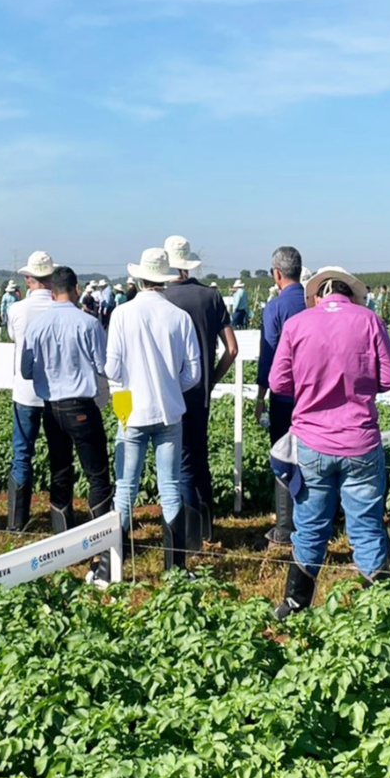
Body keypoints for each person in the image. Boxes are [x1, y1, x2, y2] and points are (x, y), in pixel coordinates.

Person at [269, 268, 390, 617]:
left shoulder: (298, 324)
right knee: (367, 527)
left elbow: (278, 383)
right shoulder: (369, 320)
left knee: (310, 526)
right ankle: (381, 612)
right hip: (360, 440)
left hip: (312, 440)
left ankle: (295, 605)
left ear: (317, 296)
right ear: (352, 295)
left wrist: (311, 384)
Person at [105, 248, 201, 573]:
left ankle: (112, 563)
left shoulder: (121, 313)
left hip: (128, 405)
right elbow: (193, 374)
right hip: (168, 409)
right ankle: (175, 567)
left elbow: (113, 370)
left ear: (139, 278)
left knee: (125, 486)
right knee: (170, 486)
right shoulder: (179, 317)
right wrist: (170, 386)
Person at [20, 266, 113, 584]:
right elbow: (103, 366)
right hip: (81, 406)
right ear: (74, 289)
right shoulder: (88, 323)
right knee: (97, 475)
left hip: (51, 407)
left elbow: (26, 371)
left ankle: (63, 544)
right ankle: (100, 548)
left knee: (60, 473)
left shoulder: (37, 325)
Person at [162, 234, 237, 549]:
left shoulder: (162, 299)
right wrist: (212, 379)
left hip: (172, 391)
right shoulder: (211, 296)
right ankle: (208, 527)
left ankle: (191, 537)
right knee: (200, 456)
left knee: (183, 462)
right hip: (202, 392)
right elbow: (231, 349)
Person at [254, 246, 307, 550]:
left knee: (283, 455)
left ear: (276, 273)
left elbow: (269, 357)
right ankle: (312, 521)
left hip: (285, 396)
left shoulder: (275, 308)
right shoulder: (314, 303)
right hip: (315, 396)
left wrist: (261, 395)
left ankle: (285, 529)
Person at [6, 251, 56, 533]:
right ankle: (60, 517)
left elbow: (15, 339)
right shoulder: (58, 307)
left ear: (28, 278)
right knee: (58, 456)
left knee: (22, 453)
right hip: (55, 393)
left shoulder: (17, 309)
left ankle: (17, 521)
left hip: (24, 392)